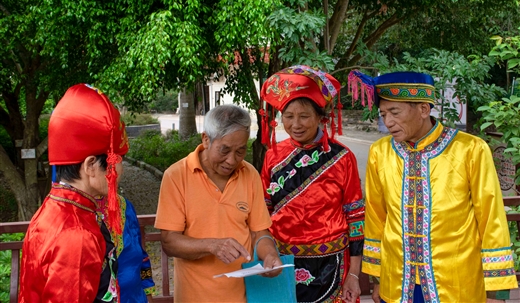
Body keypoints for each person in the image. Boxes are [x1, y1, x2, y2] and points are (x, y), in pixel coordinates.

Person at [349, 70, 518, 302]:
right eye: (383, 113)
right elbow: (377, 219)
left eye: (395, 112)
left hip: (456, 286)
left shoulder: (471, 149)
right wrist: (378, 277)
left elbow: (491, 219)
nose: (388, 122)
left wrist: (496, 289)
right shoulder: (380, 152)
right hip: (398, 284)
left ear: (423, 109)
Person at [154, 104, 282, 302]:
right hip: (194, 296)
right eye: (225, 150)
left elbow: (260, 232)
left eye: (240, 151)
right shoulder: (176, 176)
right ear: (206, 139)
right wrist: (212, 246)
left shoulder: (249, 175)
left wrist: (270, 255)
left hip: (243, 295)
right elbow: (170, 242)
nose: (232, 160)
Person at [259, 65, 365, 303]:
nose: (296, 124)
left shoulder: (341, 157)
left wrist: (355, 275)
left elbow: (356, 217)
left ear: (320, 117)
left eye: (304, 116)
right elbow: (262, 212)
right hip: (282, 261)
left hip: (332, 262)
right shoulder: (273, 156)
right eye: (288, 116)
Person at [19, 83, 128, 302]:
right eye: (117, 161)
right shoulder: (77, 234)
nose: (121, 170)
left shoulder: (53, 207)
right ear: (90, 166)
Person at [97, 194, 156, 303]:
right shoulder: (73, 211)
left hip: (134, 298)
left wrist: (148, 293)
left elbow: (141, 256)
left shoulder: (125, 207)